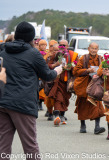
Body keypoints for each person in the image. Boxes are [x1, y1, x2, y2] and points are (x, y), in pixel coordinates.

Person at [0, 21, 62, 160]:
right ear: (31, 38)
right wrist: (57, 70)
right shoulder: (33, 53)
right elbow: (47, 75)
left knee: (3, 144)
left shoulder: (4, 50)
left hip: (3, 102)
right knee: (30, 145)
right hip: (23, 104)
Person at [73, 42, 105, 134]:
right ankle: (82, 125)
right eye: (92, 48)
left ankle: (97, 127)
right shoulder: (83, 58)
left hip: (95, 86)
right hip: (84, 85)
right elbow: (76, 71)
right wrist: (87, 70)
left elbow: (104, 69)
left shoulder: (100, 59)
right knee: (82, 105)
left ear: (98, 50)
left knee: (97, 105)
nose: (94, 50)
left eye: (95, 49)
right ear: (88, 48)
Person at [48, 39, 78, 126]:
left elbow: (77, 67)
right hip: (58, 80)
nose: (62, 47)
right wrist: (55, 65)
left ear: (67, 46)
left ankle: (62, 115)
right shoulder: (56, 54)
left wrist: (70, 67)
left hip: (68, 82)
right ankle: (56, 115)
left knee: (65, 99)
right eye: (60, 45)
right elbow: (49, 65)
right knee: (58, 97)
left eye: (64, 45)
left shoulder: (73, 55)